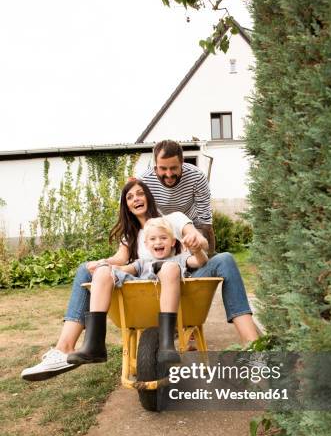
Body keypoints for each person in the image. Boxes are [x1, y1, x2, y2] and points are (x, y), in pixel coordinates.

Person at [21, 181, 259, 382]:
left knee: (225, 259)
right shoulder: (132, 236)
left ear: (149, 196)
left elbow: (198, 242)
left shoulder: (173, 218)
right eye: (129, 197)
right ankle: (64, 350)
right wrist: (102, 264)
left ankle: (253, 347)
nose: (135, 198)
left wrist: (196, 240)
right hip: (149, 289)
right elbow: (121, 260)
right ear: (126, 206)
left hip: (185, 282)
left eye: (139, 193)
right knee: (87, 269)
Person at [67, 216, 208, 368]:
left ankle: (166, 344)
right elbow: (122, 269)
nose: (158, 242)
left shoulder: (180, 259)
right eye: (153, 239)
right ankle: (94, 345)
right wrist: (103, 265)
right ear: (146, 245)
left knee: (170, 267)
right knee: (103, 271)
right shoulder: (141, 264)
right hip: (138, 309)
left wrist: (197, 250)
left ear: (173, 241)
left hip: (171, 301)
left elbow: (200, 261)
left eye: (163, 238)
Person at [140, 139, 215, 254]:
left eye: (174, 168)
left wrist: (207, 252)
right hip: (162, 224)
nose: (169, 174)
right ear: (155, 165)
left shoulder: (197, 177)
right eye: (163, 168)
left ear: (182, 163)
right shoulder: (145, 181)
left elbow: (205, 221)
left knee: (198, 255)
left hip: (193, 224)